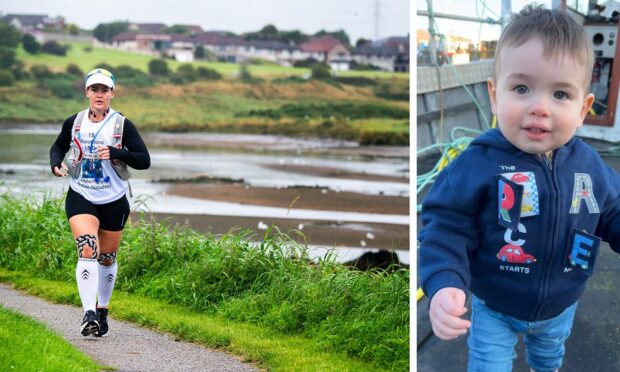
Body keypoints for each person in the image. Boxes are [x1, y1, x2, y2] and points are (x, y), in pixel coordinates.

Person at [418, 5, 620, 372]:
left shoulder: (590, 167)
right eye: (522, 88)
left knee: (548, 358)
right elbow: (445, 226)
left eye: (560, 94)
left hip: (561, 304)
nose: (539, 107)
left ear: (583, 108)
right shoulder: (478, 164)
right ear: (495, 96)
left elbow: (612, 211)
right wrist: (443, 281)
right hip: (494, 305)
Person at [50, 68, 150, 337]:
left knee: (106, 258)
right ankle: (88, 314)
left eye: (104, 90)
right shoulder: (75, 121)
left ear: (112, 93)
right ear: (87, 92)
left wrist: (116, 152)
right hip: (81, 194)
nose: (99, 94)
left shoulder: (122, 124)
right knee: (87, 248)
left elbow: (144, 160)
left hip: (114, 199)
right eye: (94, 89)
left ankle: (102, 309)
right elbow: (58, 146)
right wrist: (55, 164)